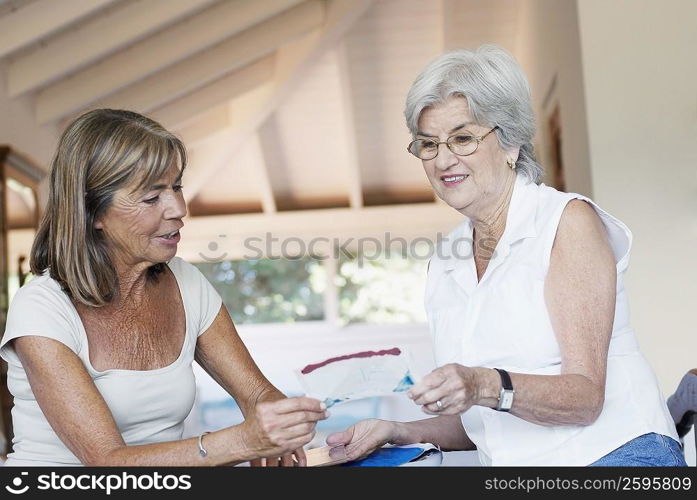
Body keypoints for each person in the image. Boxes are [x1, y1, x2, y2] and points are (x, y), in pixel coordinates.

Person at [326, 45, 685, 466]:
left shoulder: (566, 222)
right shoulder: (445, 260)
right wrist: (396, 430)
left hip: (616, 455)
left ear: (511, 142)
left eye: (463, 138)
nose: (443, 160)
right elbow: (486, 419)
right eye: (428, 144)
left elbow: (584, 398)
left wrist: (480, 385)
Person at [0, 109, 327, 466]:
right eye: (151, 198)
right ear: (92, 212)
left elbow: (257, 392)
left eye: (176, 187)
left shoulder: (185, 281)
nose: (179, 209)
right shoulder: (42, 308)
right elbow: (108, 464)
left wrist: (282, 423)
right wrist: (244, 442)